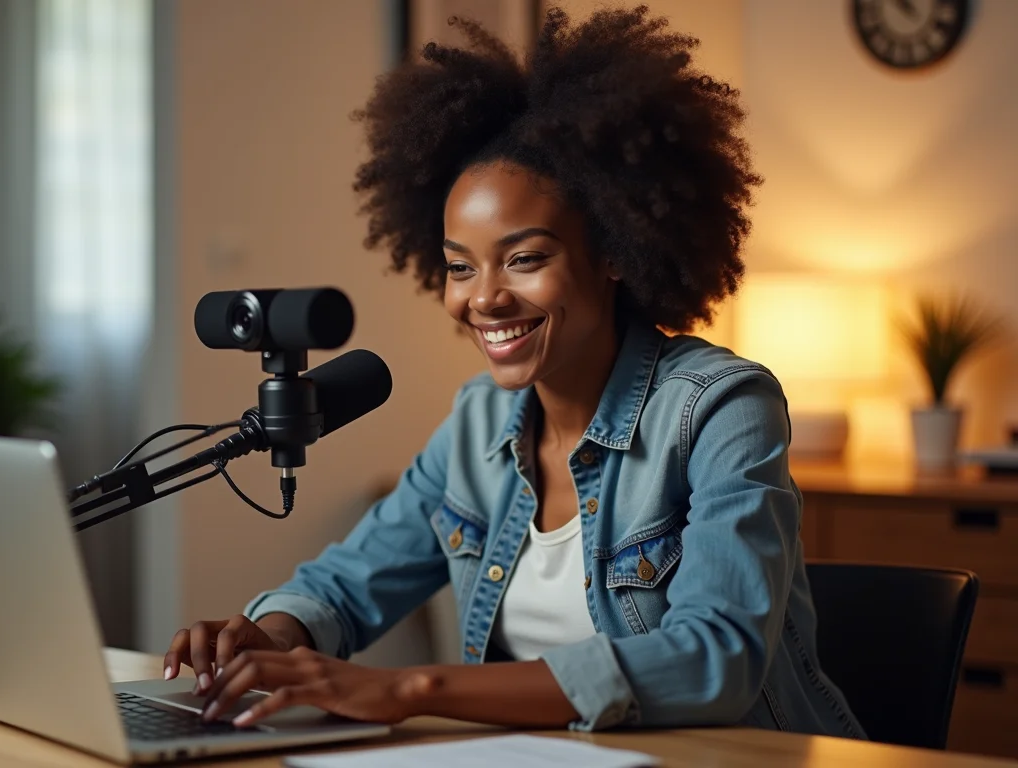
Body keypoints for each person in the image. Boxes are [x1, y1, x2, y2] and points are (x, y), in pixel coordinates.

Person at [164, 6, 865, 738]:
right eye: (459, 268)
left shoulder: (721, 409)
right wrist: (271, 637)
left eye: (525, 259)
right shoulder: (478, 423)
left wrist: (412, 688)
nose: (484, 298)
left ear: (618, 250)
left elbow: (714, 659)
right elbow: (347, 583)